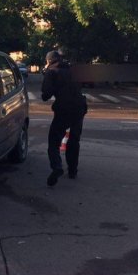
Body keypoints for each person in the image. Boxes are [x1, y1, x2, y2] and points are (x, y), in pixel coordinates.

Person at [41, 50, 88, 186]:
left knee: (54, 141)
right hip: (79, 108)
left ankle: (57, 167)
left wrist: (47, 76)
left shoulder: (52, 72)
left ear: (49, 61)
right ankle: (72, 171)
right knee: (74, 140)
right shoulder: (72, 70)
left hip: (63, 109)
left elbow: (45, 96)